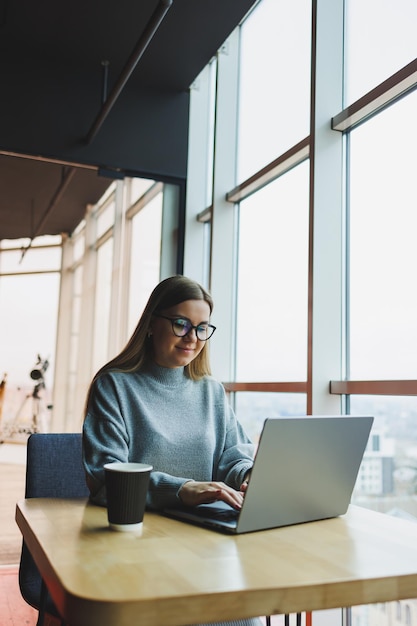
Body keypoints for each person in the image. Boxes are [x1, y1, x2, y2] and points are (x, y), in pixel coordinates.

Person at [83, 275, 261, 626]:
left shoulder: (210, 390)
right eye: (181, 324)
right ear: (152, 324)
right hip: (136, 546)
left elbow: (233, 455)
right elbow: (106, 476)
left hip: (204, 543)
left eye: (202, 328)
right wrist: (181, 489)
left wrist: (249, 476)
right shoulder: (115, 385)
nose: (193, 339)